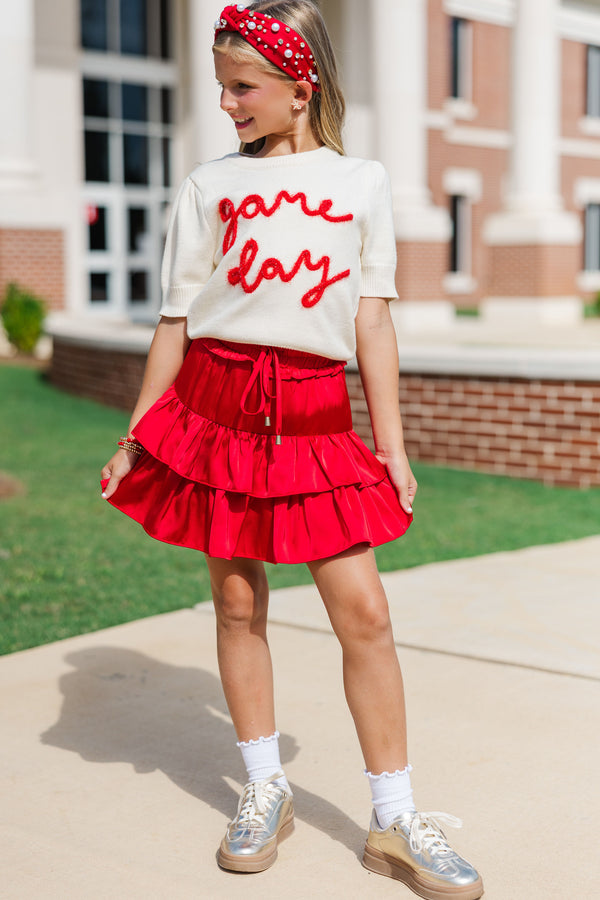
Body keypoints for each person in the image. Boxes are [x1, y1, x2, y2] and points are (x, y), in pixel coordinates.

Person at [100, 2, 483, 897]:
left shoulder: (362, 182)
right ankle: (265, 790)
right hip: (214, 410)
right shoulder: (209, 186)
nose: (228, 103)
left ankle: (393, 820)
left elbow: (373, 322)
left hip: (314, 418)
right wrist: (136, 437)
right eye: (223, 87)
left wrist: (391, 447)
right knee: (237, 607)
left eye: (244, 87)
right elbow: (175, 323)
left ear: (297, 85)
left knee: (367, 613)